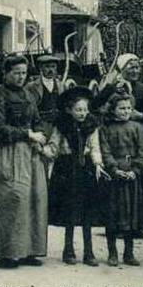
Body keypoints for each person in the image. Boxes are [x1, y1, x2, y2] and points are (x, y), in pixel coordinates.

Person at [0, 55, 56, 267]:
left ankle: (29, 250)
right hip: (8, 152)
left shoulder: (28, 93)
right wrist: (28, 135)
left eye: (23, 73)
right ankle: (8, 252)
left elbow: (37, 119)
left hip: (31, 154)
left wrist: (40, 135)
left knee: (35, 199)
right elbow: (0, 129)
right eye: (16, 73)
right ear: (6, 73)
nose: (20, 77)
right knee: (13, 199)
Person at [47, 86, 102, 266]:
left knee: (87, 211)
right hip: (66, 169)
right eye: (78, 110)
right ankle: (68, 250)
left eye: (85, 109)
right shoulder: (62, 125)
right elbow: (54, 146)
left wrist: (98, 164)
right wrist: (43, 150)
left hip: (85, 168)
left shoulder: (91, 125)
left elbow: (95, 147)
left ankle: (89, 251)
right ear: (69, 110)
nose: (82, 113)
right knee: (69, 210)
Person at [98, 91, 143, 266]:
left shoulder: (138, 127)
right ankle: (112, 253)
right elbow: (105, 151)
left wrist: (136, 169)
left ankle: (129, 253)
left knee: (130, 214)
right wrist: (114, 169)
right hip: (114, 177)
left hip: (132, 174)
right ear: (112, 109)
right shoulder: (105, 128)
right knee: (113, 214)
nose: (125, 111)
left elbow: (142, 152)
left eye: (128, 108)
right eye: (121, 108)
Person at [94, 54, 143, 124]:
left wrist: (142, 116)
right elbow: (95, 108)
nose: (135, 71)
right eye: (131, 68)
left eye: (137, 68)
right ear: (122, 69)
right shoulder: (111, 88)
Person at [26, 53, 66, 124]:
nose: (51, 70)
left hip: (58, 123)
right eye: (47, 67)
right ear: (41, 68)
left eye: (53, 67)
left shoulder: (61, 85)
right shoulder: (31, 86)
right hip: (40, 123)